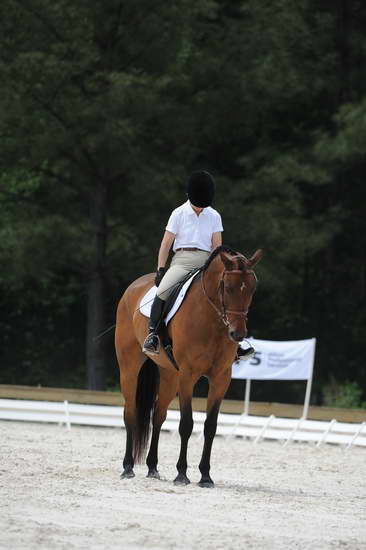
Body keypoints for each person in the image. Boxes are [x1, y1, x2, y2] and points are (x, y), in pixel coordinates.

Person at [142, 170, 255, 361]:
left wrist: (219, 268)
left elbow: (217, 247)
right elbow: (166, 243)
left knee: (231, 292)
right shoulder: (178, 213)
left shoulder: (214, 215)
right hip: (183, 260)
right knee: (163, 290)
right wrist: (161, 268)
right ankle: (153, 334)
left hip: (208, 261)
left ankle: (237, 343)